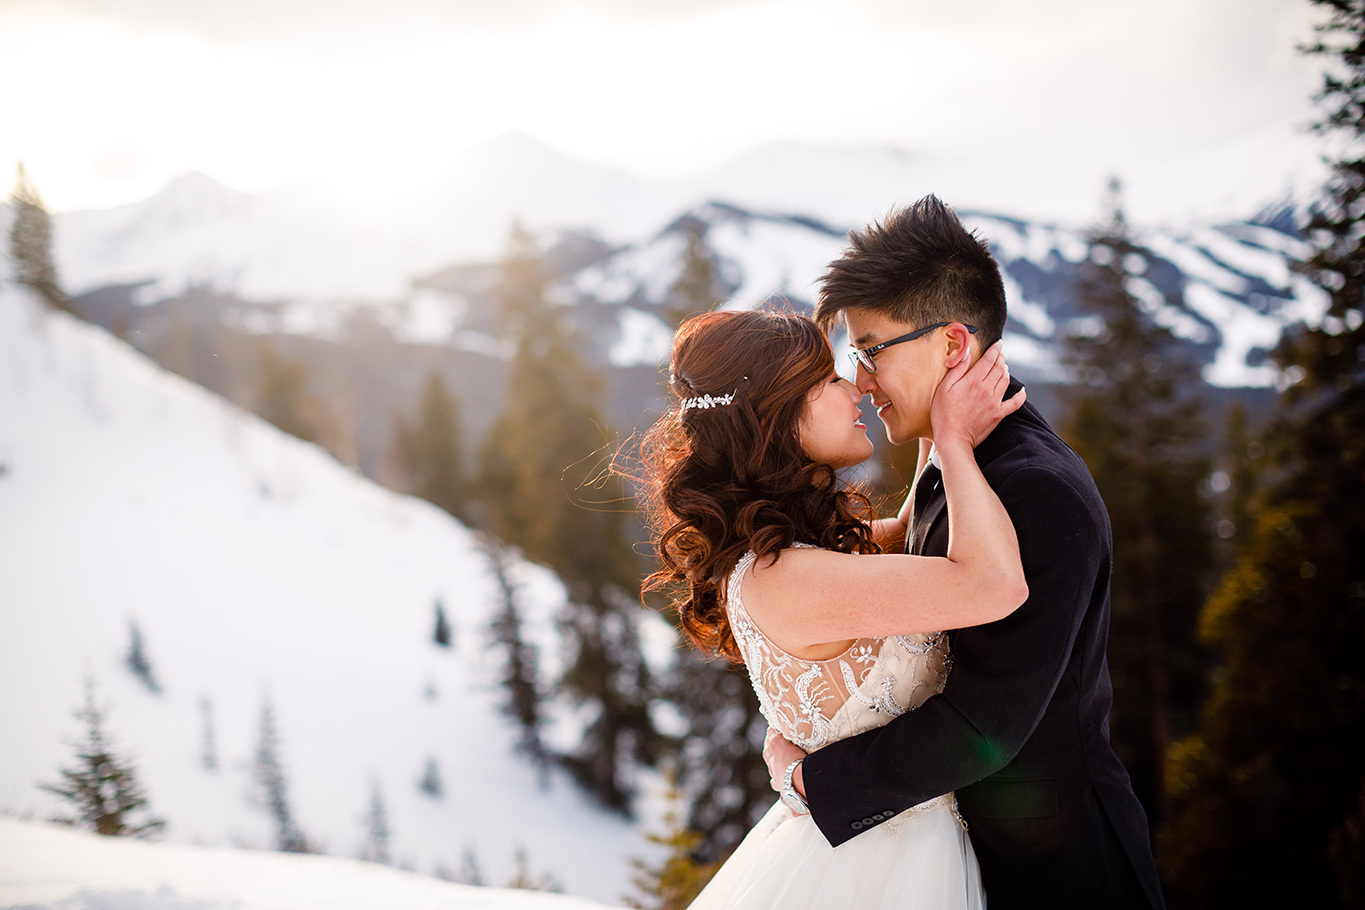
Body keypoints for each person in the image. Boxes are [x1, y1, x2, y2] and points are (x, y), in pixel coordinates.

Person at [761, 195, 1165, 908]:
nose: (859, 380)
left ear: (951, 346)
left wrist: (814, 781)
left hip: (1057, 872)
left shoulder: (1035, 492)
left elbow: (984, 725)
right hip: (969, 853)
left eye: (870, 352)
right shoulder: (958, 458)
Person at [639, 307, 1028, 909]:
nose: (856, 388)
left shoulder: (785, 559)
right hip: (880, 871)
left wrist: (929, 411)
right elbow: (995, 585)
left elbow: (905, 534)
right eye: (826, 380)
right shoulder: (790, 577)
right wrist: (955, 441)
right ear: (778, 419)